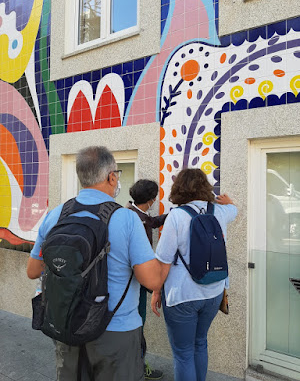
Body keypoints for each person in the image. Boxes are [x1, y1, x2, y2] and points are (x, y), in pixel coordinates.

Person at [27, 146, 163, 381]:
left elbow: (33, 270)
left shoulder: (56, 215)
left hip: (66, 325)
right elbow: (151, 280)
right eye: (116, 175)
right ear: (111, 177)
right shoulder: (126, 218)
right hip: (116, 330)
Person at [150, 168, 237, 381]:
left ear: (179, 188)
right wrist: (229, 201)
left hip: (183, 295)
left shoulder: (176, 216)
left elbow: (163, 261)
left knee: (183, 354)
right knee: (200, 343)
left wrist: (156, 291)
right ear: (205, 188)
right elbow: (235, 210)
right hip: (214, 292)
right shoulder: (219, 212)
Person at [127, 179, 167, 380]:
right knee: (138, 323)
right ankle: (138, 366)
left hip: (133, 280)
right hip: (137, 281)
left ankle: (136, 364)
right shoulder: (136, 219)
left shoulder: (133, 212)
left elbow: (153, 222)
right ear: (151, 200)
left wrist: (171, 215)